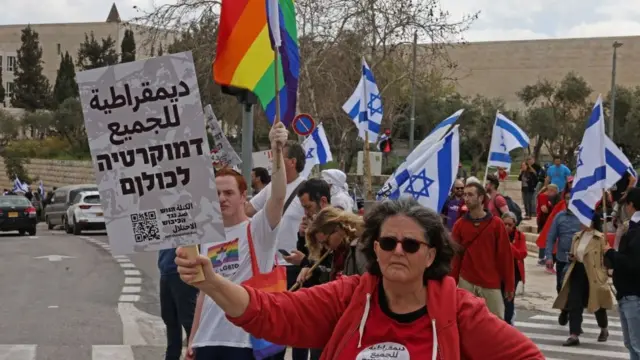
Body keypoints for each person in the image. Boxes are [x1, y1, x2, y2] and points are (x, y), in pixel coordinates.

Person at [175, 198, 544, 359]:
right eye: (388, 241)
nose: (398, 251)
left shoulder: (460, 312)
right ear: (375, 249)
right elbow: (270, 312)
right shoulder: (349, 297)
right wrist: (211, 283)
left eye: (411, 245)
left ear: (431, 254)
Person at [186, 123, 288, 360]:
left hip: (245, 341)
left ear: (244, 196)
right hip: (208, 340)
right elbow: (204, 293)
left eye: (229, 193)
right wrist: (193, 338)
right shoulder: (208, 238)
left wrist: (278, 152)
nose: (221, 199)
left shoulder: (259, 229)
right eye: (217, 194)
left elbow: (279, 195)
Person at [246, 140, 306, 296]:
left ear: (293, 162)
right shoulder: (270, 188)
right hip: (268, 266)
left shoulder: (306, 188)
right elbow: (248, 210)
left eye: (279, 157)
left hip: (292, 267)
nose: (273, 161)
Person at [451, 182, 515, 319]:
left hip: (490, 282)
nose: (466, 198)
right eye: (465, 195)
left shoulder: (496, 224)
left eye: (470, 195)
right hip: (466, 281)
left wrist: (509, 284)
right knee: (465, 322)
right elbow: (455, 258)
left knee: (496, 323)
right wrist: (450, 283)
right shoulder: (459, 225)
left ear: (480, 198)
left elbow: (505, 256)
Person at [553, 213, 613, 346]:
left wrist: (605, 273)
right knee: (575, 303)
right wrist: (571, 257)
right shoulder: (577, 236)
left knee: (597, 303)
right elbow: (573, 253)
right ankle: (574, 334)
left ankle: (604, 328)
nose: (581, 222)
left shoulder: (600, 238)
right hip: (577, 271)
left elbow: (606, 258)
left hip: (593, 274)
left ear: (592, 222)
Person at [604, 187, 640, 359]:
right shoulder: (631, 228)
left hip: (634, 295)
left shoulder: (637, 231)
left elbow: (633, 263)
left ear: (631, 205)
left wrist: (611, 253)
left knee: (637, 344)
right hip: (625, 295)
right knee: (631, 344)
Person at [301, 206, 367, 283]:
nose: (326, 247)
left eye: (326, 242)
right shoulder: (339, 251)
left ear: (338, 229)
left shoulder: (359, 248)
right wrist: (315, 273)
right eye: (322, 244)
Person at [158, 246, 199, 359]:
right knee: (169, 318)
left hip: (183, 272)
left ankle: (195, 354)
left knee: (188, 320)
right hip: (165, 271)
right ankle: (172, 356)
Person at [545, 191, 582, 292]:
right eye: (566, 198)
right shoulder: (559, 217)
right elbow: (551, 237)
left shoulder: (583, 217)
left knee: (575, 290)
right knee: (560, 288)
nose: (568, 200)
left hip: (578, 260)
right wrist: (549, 257)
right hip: (562, 259)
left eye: (570, 198)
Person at [501, 212, 527, 325]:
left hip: (514, 271)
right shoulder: (496, 234)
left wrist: (509, 246)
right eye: (504, 224)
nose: (507, 227)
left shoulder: (520, 236)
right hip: (499, 271)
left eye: (509, 224)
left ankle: (507, 322)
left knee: (509, 298)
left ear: (514, 225)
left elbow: (522, 254)